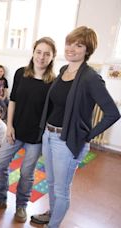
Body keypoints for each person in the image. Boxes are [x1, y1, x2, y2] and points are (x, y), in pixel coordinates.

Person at [32, 27, 120, 228]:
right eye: (69, 43)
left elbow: (113, 113)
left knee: (62, 190)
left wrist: (87, 136)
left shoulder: (91, 77)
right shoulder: (64, 70)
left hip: (67, 141)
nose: (71, 48)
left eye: (78, 45)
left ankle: (53, 225)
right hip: (49, 135)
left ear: (87, 50)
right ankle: (53, 214)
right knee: (52, 184)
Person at [0, 37, 57, 223]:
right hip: (15, 130)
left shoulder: (54, 82)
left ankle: (21, 205)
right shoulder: (21, 73)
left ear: (53, 57)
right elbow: (12, 100)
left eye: (47, 53)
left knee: (26, 173)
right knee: (0, 164)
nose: (42, 57)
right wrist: (9, 126)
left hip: (36, 136)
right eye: (39, 52)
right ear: (33, 52)